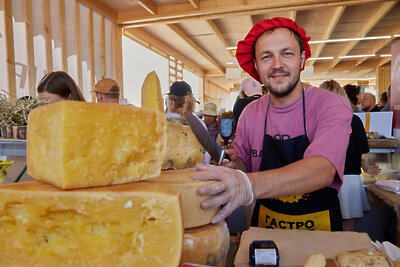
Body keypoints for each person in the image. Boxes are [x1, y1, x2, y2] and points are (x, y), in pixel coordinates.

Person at [192, 17, 352, 231]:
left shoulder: (330, 105)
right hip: (265, 231)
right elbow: (243, 163)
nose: (277, 65)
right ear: (257, 66)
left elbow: (322, 170)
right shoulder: (250, 113)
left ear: (302, 59)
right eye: (267, 57)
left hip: (320, 230)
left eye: (287, 53)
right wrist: (233, 165)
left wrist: (248, 184)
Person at [320, 80, 380, 231]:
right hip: (350, 181)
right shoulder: (354, 120)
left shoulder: (317, 121)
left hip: (324, 179)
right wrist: (366, 169)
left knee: (325, 227)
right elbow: (363, 156)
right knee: (349, 229)